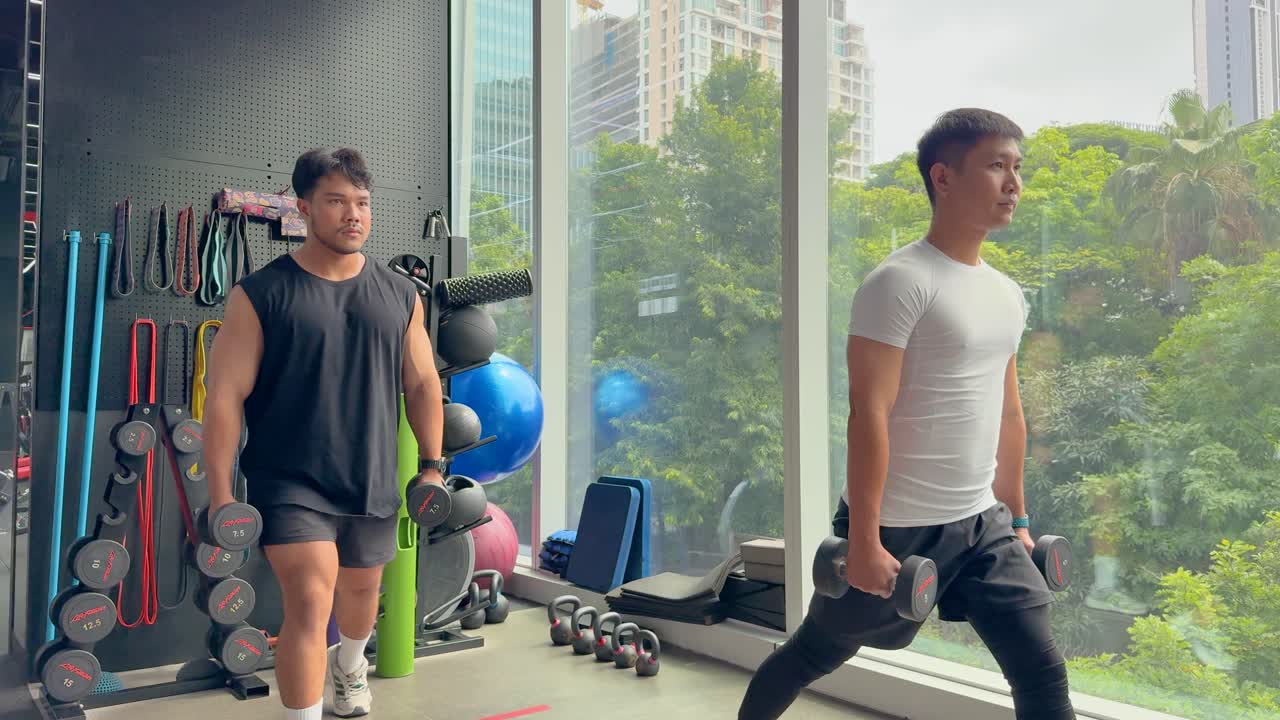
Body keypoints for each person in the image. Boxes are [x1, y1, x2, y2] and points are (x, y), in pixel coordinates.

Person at [737, 109, 1075, 720]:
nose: (1014, 184)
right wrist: (863, 539)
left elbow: (1008, 414)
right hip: (898, 526)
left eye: (1018, 168)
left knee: (1042, 671)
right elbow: (869, 413)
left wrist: (1018, 517)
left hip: (982, 524)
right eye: (997, 166)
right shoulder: (899, 281)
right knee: (815, 651)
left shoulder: (1006, 292)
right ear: (943, 179)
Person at [203, 148, 446, 719]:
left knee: (360, 600)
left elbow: (423, 384)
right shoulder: (260, 294)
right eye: (336, 201)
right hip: (288, 482)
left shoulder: (399, 294)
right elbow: (224, 397)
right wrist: (219, 494)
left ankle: (351, 665)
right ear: (304, 207)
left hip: (370, 479)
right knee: (310, 602)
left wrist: (432, 465)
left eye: (362, 203)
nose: (352, 215)